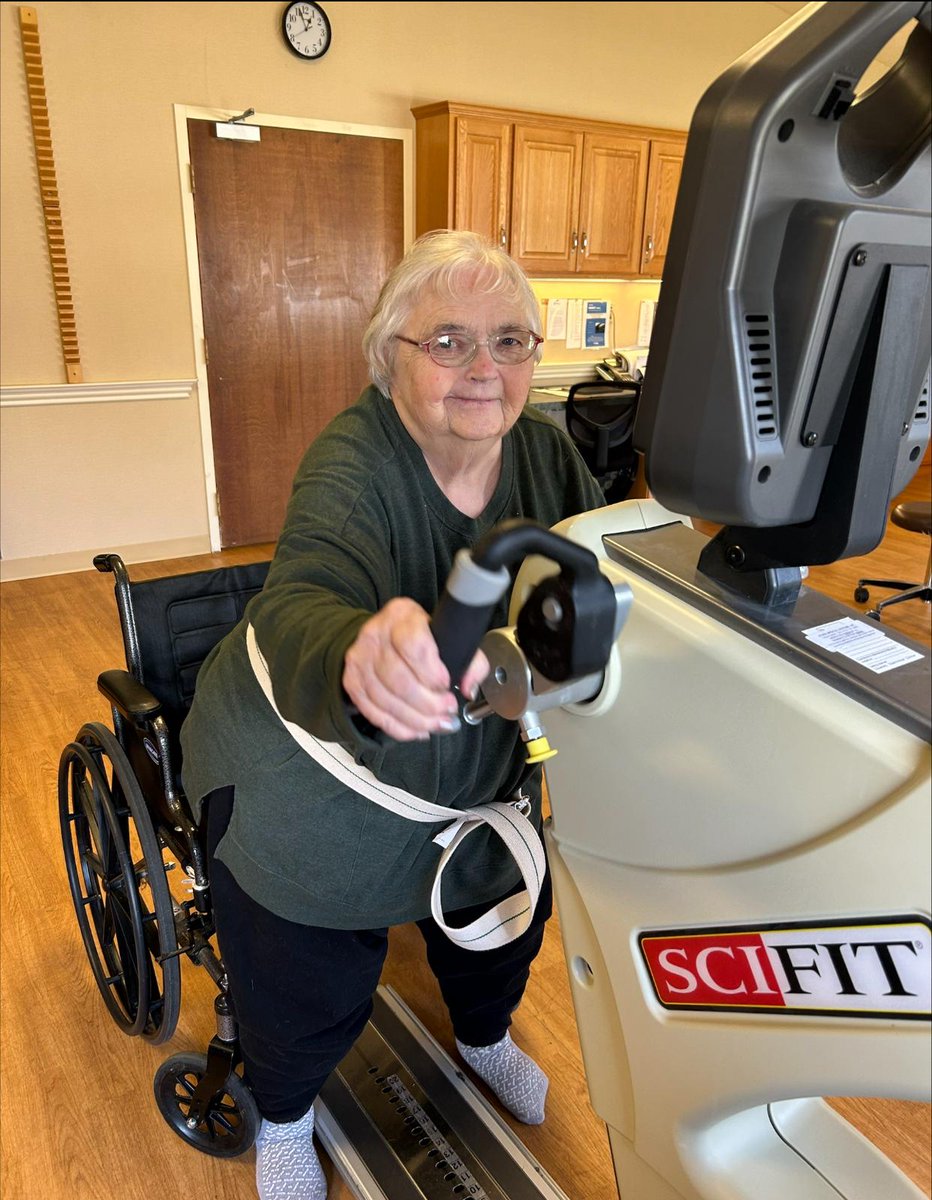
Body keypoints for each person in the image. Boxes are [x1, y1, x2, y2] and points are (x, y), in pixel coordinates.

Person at [180, 229, 606, 1200]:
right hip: (307, 763)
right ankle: (286, 1112)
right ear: (390, 358)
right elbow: (306, 592)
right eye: (448, 341)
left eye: (509, 341)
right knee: (306, 960)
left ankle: (484, 1036)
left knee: (507, 911)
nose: (483, 368)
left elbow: (598, 562)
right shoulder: (354, 460)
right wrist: (355, 653)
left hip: (471, 761)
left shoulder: (545, 453)